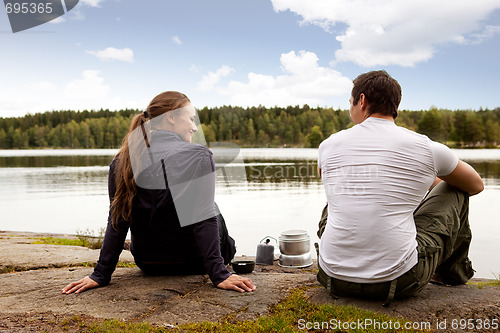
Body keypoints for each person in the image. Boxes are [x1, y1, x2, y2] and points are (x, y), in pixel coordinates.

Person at [62, 91, 255, 294]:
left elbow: (117, 221)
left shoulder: (122, 160)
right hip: (193, 261)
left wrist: (101, 274)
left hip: (148, 261)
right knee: (211, 208)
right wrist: (219, 274)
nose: (195, 127)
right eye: (190, 119)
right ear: (171, 118)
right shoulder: (199, 155)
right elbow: (203, 218)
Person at [316, 70, 483, 305]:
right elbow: (475, 185)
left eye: (350, 102)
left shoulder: (328, 145)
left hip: (331, 276)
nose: (350, 108)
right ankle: (451, 274)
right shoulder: (426, 147)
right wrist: (426, 184)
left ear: (361, 100)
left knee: (343, 193)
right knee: (455, 189)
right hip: (398, 281)